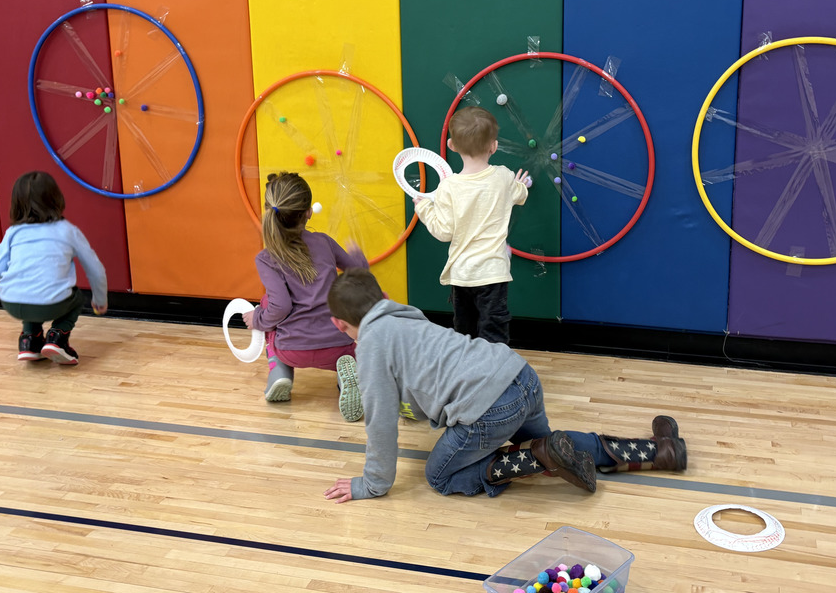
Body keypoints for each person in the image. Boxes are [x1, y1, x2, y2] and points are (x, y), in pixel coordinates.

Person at [322, 268, 687, 503]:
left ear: (340, 325)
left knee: (438, 476)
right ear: (383, 299)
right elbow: (420, 381)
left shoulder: (370, 346)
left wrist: (371, 485)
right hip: (520, 375)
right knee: (554, 444)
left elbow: (380, 426)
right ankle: (660, 451)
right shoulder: (404, 315)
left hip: (490, 408)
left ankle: (533, 459)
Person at [241, 171, 366, 422]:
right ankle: (345, 376)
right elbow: (358, 272)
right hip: (337, 346)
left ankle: (280, 373)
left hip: (291, 349)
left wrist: (256, 318)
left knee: (266, 307)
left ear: (270, 211)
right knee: (346, 342)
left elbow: (280, 306)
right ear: (308, 212)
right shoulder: (324, 242)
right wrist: (358, 256)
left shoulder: (266, 258)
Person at [413, 106, 529, 345]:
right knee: (494, 332)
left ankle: (467, 376)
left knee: (464, 334)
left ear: (451, 145)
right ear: (493, 146)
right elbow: (520, 195)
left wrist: (423, 208)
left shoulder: (449, 187)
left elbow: (443, 232)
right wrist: (521, 185)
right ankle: (497, 377)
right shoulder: (504, 176)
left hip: (462, 275)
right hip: (493, 273)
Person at [0, 171, 107, 365]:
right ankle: (58, 338)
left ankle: (29, 340)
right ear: (56, 199)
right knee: (76, 299)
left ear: (16, 203)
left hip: (12, 303)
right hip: (53, 304)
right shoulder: (68, 230)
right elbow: (96, 270)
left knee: (30, 293)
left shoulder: (13, 233)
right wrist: (100, 300)